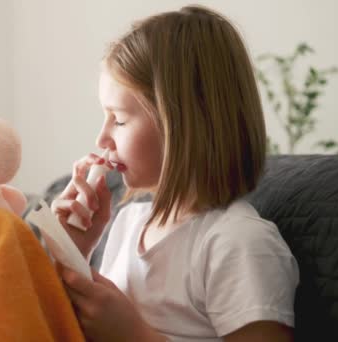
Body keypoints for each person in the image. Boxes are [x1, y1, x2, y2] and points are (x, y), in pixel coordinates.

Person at [52, 5, 299, 342]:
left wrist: (136, 336)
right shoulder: (128, 224)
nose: (102, 139)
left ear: (183, 125)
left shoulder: (237, 243)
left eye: (119, 119)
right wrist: (72, 251)